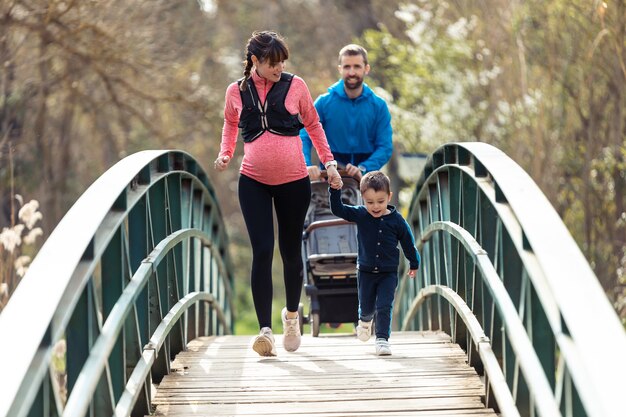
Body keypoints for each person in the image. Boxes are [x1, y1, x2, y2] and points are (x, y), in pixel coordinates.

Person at [214, 30, 343, 357]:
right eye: (272, 63)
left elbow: (313, 125)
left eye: (282, 61)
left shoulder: (295, 86)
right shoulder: (236, 91)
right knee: (262, 250)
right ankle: (264, 331)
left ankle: (289, 316)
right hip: (253, 180)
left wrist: (328, 163)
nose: (279, 67)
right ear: (254, 61)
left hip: (293, 181)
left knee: (289, 250)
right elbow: (231, 124)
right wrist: (226, 152)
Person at [329, 171, 419, 356]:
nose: (375, 206)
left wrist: (414, 262)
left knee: (384, 305)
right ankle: (364, 320)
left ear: (389, 196)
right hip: (366, 271)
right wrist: (335, 190)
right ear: (362, 198)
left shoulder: (397, 220)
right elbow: (339, 209)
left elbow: (408, 242)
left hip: (388, 272)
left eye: (380, 201)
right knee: (367, 307)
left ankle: (382, 340)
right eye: (370, 202)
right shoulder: (361, 214)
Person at [300, 44, 393, 180]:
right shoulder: (323, 103)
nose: (351, 72)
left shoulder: (379, 106)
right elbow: (304, 135)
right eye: (347, 67)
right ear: (340, 69)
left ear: (366, 69)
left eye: (357, 66)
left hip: (366, 178)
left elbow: (385, 146)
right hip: (330, 175)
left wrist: (364, 168)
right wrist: (306, 164)